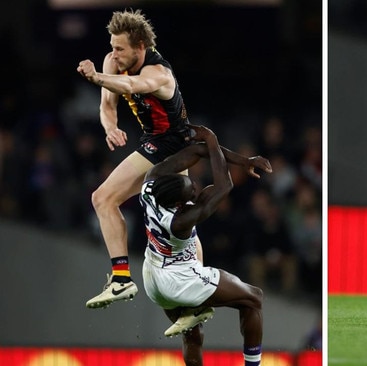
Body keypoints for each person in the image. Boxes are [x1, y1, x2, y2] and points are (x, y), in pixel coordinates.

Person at [76, 9, 245, 309]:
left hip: (171, 146)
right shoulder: (113, 61)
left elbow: (130, 86)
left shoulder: (158, 73)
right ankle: (197, 304)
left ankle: (120, 279)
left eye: (120, 48)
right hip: (157, 142)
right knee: (181, 225)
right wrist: (110, 127)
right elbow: (108, 104)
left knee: (103, 198)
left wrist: (95, 77)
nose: (114, 54)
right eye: (112, 46)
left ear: (140, 46)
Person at [141, 124, 271, 366]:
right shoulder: (180, 222)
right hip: (179, 279)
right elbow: (225, 187)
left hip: (153, 277)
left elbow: (199, 152)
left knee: (193, 334)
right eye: (191, 193)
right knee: (254, 299)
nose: (195, 190)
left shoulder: (150, 185)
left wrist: (242, 160)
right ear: (179, 204)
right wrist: (211, 135)